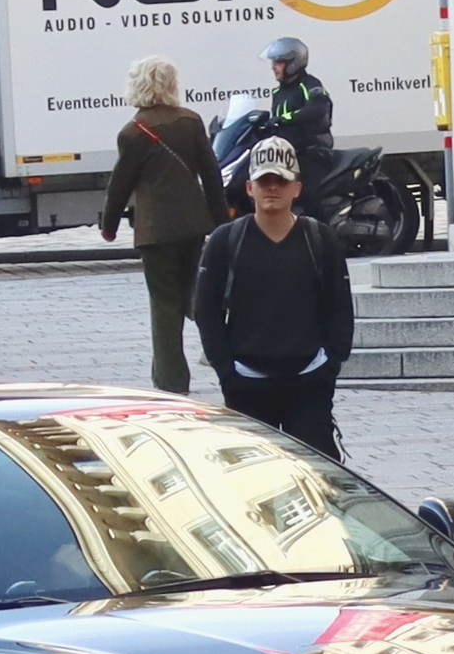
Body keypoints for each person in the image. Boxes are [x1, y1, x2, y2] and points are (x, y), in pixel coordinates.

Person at [193, 138, 354, 458]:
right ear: (250, 188)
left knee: (319, 478)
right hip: (246, 385)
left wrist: (330, 364)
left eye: (281, 180)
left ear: (296, 188)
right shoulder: (226, 242)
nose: (272, 188)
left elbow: (340, 307)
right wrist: (227, 371)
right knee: (252, 481)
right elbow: (206, 311)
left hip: (309, 383)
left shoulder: (320, 239)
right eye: (264, 180)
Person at [100, 56, 225, 393]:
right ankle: (228, 355)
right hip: (193, 226)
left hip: (156, 233)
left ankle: (171, 382)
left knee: (165, 307)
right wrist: (222, 221)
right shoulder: (191, 121)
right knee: (195, 299)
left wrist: (109, 225)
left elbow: (120, 184)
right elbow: (211, 175)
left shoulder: (133, 132)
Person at [261, 37, 333, 162]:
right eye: (273, 63)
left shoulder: (310, 84)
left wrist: (284, 118)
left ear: (292, 63)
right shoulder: (279, 92)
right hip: (285, 153)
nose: (273, 67)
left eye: (278, 62)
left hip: (312, 151)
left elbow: (317, 109)